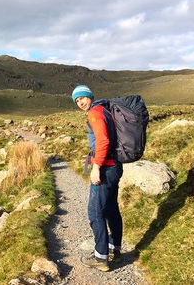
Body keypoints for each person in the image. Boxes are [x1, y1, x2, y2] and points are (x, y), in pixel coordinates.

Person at [72, 85, 123, 272]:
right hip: (115, 166)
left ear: (90, 96)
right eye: (77, 101)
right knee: (111, 210)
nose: (80, 102)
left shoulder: (95, 112)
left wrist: (96, 166)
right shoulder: (105, 110)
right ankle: (114, 250)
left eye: (82, 98)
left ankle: (101, 257)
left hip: (105, 167)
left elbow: (103, 140)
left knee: (95, 212)